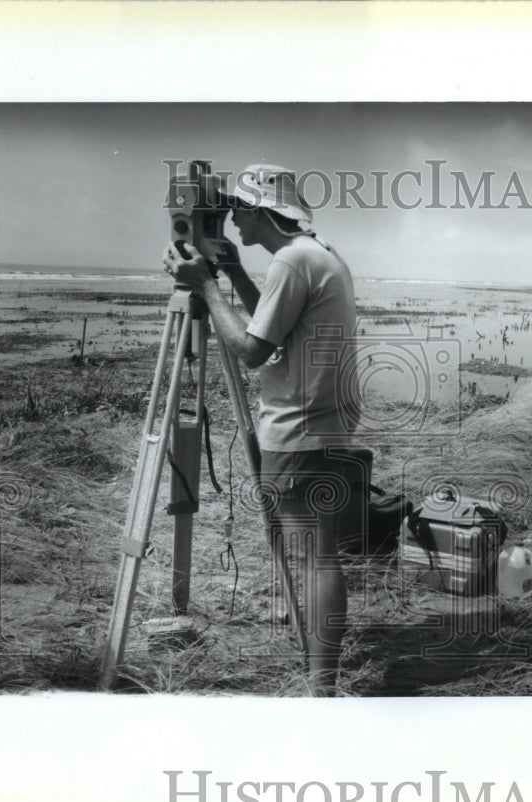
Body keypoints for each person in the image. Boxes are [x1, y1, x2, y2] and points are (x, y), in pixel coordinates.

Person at [162, 164, 360, 696]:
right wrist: (239, 277)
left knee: (319, 558)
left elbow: (251, 351)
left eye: (234, 210)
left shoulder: (293, 261)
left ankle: (322, 688)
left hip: (300, 429)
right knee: (320, 553)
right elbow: (272, 329)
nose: (230, 222)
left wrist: (206, 284)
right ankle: (322, 676)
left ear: (256, 209)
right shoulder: (317, 254)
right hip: (325, 423)